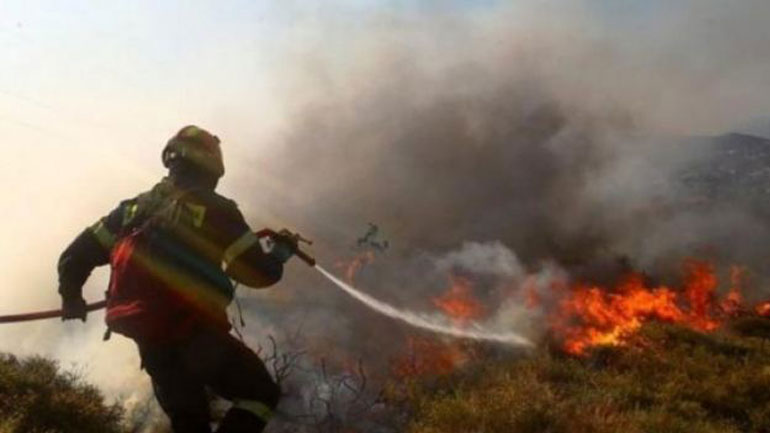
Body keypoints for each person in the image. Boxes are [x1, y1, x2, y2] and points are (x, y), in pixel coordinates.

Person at [57, 125, 295, 433]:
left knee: (190, 425)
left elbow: (74, 256)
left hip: (151, 340)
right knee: (260, 395)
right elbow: (258, 274)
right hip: (196, 334)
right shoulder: (217, 210)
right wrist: (279, 254)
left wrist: (71, 298)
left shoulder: (132, 210)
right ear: (212, 165)